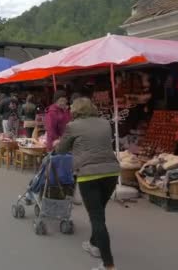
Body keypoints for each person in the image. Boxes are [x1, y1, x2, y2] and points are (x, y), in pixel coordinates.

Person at [55, 97, 120, 270]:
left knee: (96, 217)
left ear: (76, 111)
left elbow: (61, 150)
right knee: (99, 212)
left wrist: (57, 145)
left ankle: (108, 265)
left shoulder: (73, 126)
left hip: (88, 174)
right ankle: (94, 244)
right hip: (112, 172)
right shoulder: (105, 123)